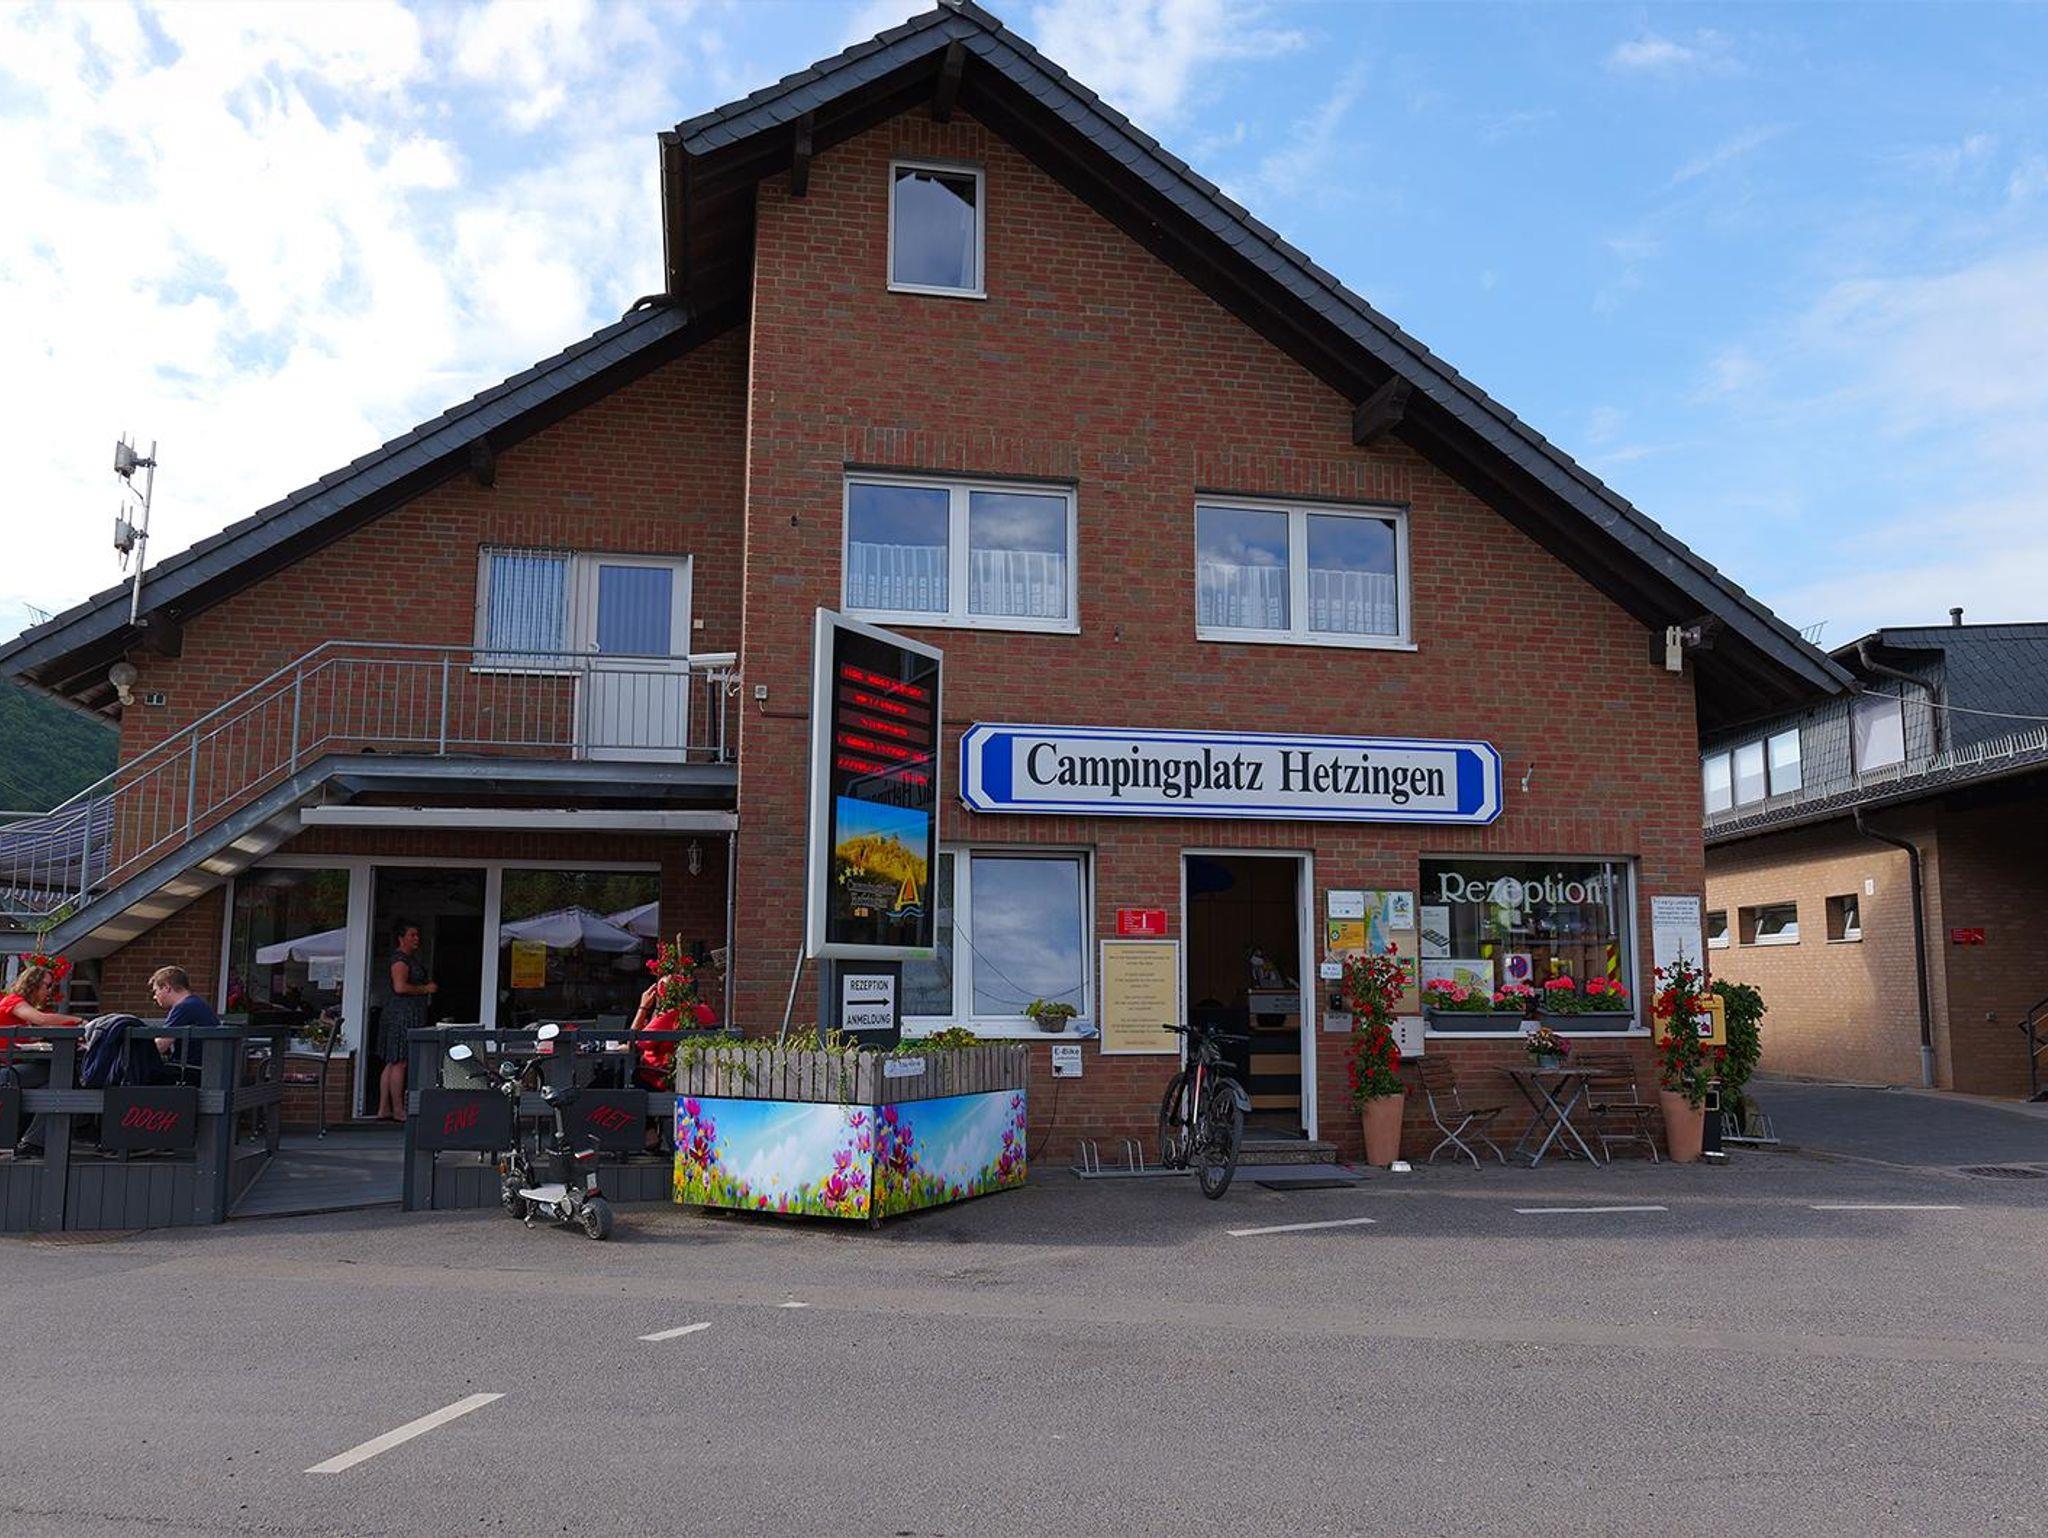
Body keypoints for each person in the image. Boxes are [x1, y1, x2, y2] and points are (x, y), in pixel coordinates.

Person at [2, 964, 85, 1158]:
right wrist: (78, 1021)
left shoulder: (22, 1012)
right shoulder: (14, 1001)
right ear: (32, 984)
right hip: (6, 1070)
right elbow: (41, 1019)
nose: (49, 992)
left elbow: (34, 1034)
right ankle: (34, 1141)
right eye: (47, 986)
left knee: (54, 1083)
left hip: (12, 1067)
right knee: (63, 1076)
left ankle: (32, 1142)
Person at [376, 921, 437, 1122]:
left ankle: (384, 1108)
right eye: (412, 935)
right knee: (400, 1062)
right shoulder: (400, 960)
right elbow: (400, 987)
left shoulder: (409, 959)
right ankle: (398, 1109)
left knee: (392, 1061)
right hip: (401, 1015)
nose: (416, 939)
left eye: (417, 935)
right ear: (401, 938)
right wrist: (426, 989)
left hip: (405, 1013)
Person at [150, 965, 221, 1069]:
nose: (155, 997)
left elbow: (161, 1045)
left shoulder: (184, 1007)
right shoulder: (195, 1003)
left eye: (156, 991)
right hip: (207, 1068)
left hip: (192, 1070)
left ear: (166, 988)